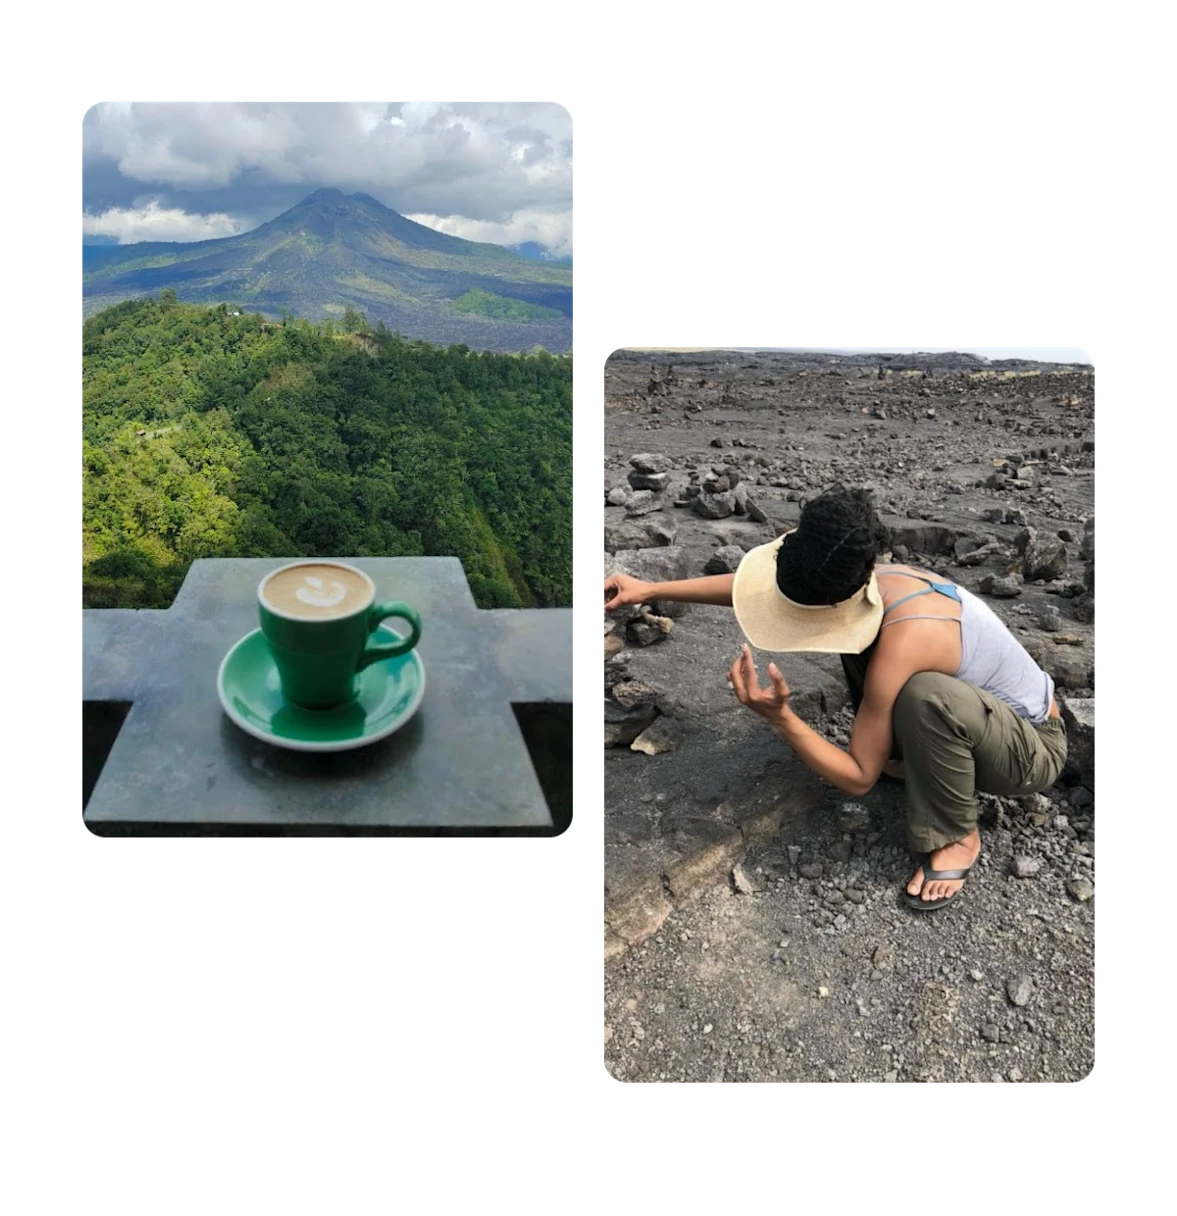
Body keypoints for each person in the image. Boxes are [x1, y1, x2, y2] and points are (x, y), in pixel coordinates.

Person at [602, 484, 1066, 911]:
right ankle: (918, 762)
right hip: (984, 719)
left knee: (925, 695)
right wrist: (651, 588)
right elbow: (758, 591)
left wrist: (781, 717)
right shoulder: (860, 575)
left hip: (1030, 748)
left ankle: (958, 835)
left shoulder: (908, 634)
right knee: (864, 649)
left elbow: (859, 780)